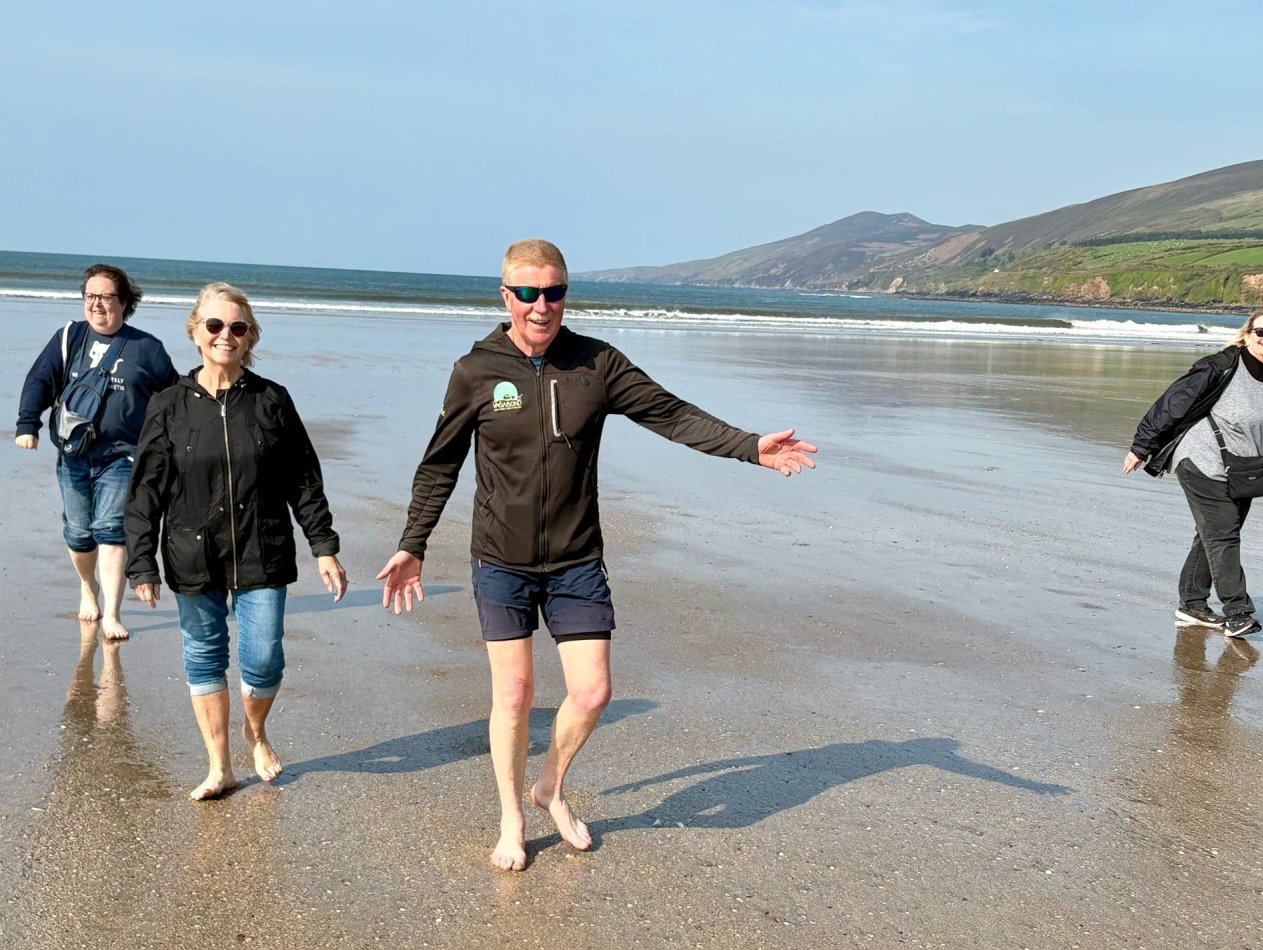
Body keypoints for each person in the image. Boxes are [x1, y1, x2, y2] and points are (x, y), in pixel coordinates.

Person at [377, 239, 817, 871]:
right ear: (505, 296)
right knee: (516, 694)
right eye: (527, 292)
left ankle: (549, 784)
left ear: (565, 295)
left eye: (553, 291)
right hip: (500, 557)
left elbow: (672, 415)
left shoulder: (597, 364)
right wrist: (412, 544)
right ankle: (511, 817)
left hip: (577, 558)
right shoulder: (475, 371)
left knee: (593, 693)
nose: (540, 305)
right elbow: (439, 463)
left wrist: (750, 447)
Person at [125, 283, 348, 800]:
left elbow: (303, 479)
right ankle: (219, 765)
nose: (226, 336)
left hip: (262, 548)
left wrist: (324, 546)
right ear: (195, 332)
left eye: (238, 327)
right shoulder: (168, 406)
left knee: (264, 657)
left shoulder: (272, 400)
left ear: (250, 337)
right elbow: (145, 490)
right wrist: (141, 563)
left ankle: (256, 731)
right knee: (203, 656)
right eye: (215, 326)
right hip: (190, 551)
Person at [1122, 309, 1263, 638]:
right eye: (1260, 331)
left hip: (1246, 469)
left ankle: (1192, 604)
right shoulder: (1221, 366)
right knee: (1223, 535)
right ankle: (1238, 611)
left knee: (1214, 534)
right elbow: (1174, 401)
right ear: (1247, 335)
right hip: (1200, 459)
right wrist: (1141, 446)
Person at [15, 265, 178, 639]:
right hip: (73, 454)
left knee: (111, 531)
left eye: (105, 296)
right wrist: (28, 424)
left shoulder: (147, 349)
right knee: (78, 534)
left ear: (124, 302)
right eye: (90, 296)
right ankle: (88, 589)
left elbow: (173, 398)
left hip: (123, 457)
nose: (97, 304)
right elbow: (39, 379)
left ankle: (112, 614)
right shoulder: (68, 338)